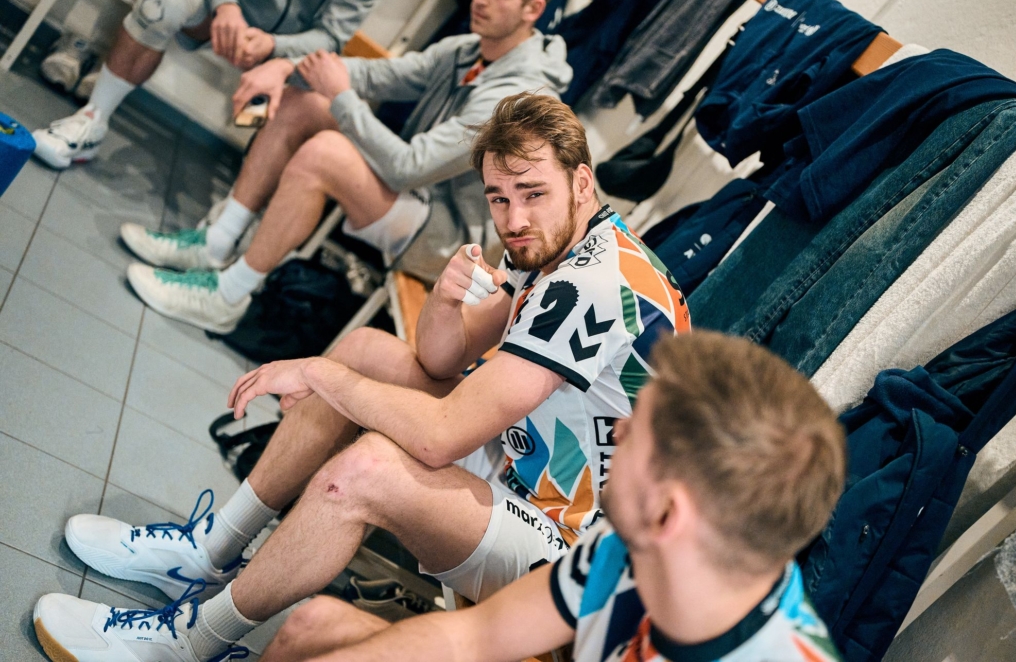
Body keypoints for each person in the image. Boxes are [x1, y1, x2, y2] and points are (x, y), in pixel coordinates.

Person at [32, 92, 691, 662]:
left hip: (575, 552)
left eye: (533, 194)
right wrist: (444, 302)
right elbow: (440, 361)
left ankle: (186, 641)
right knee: (370, 352)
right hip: (524, 464)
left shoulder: (597, 284)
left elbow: (440, 435)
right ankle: (208, 554)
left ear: (582, 182)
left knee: (367, 470)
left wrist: (318, 373)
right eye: (499, 198)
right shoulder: (556, 240)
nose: (513, 218)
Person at [266, 330, 848, 662]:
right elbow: (476, 636)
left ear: (669, 513)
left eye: (637, 431)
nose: (618, 431)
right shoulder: (631, 543)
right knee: (312, 628)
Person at [116, 0, 573, 334]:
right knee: (302, 102)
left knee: (325, 153)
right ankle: (215, 244)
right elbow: (375, 75)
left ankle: (226, 298)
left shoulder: (515, 97)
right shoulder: (469, 49)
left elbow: (408, 168)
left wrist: (339, 95)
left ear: (532, 9)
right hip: (415, 194)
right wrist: (285, 66)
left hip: (445, 238)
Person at [31, 0, 392, 169]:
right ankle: (91, 120)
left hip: (278, 53)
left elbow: (331, 36)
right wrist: (227, 6)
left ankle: (229, 222)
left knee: (311, 97)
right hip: (221, 12)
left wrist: (273, 47)